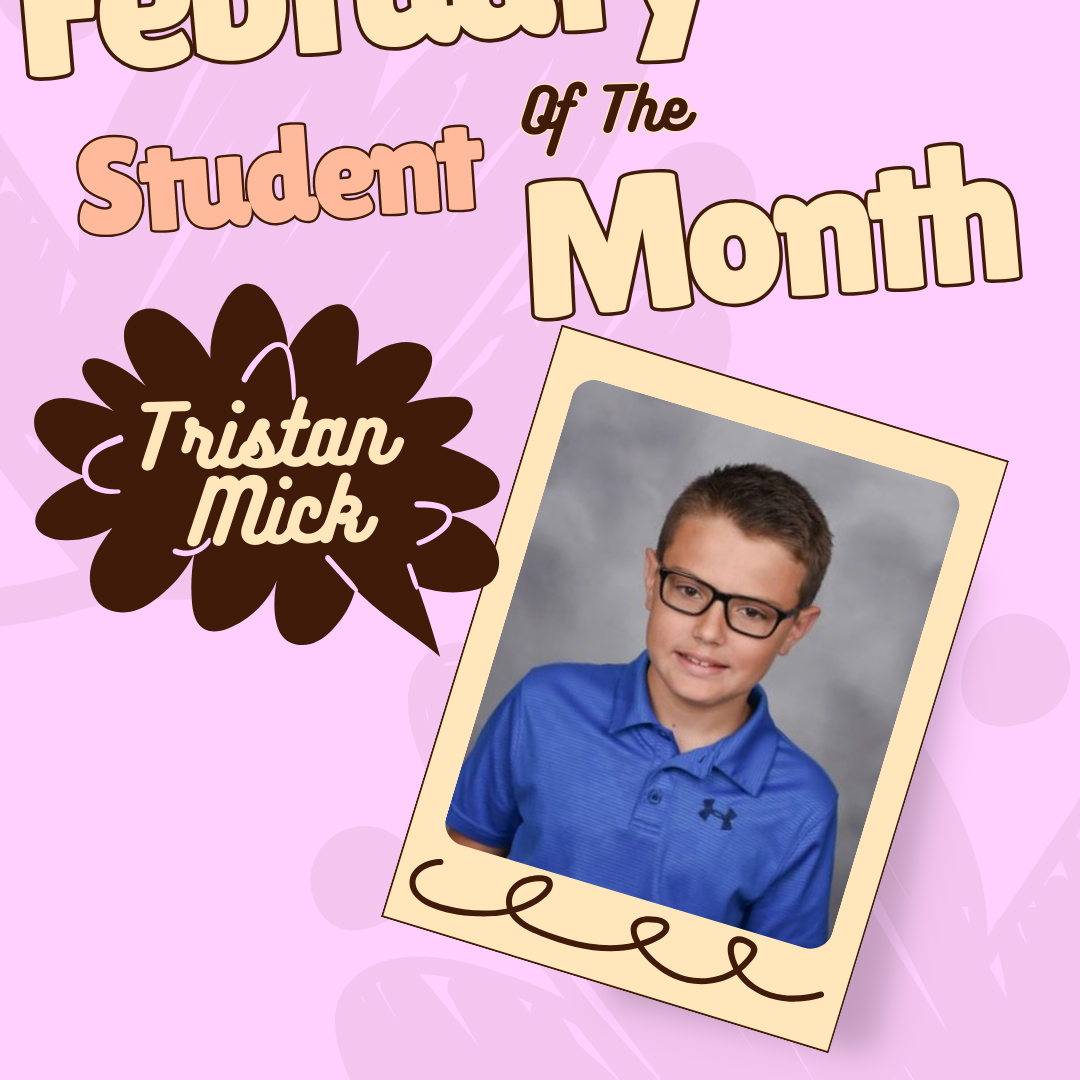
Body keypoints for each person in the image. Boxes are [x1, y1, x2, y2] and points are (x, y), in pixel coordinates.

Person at [446, 463, 838, 948]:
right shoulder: (543, 704)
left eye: (752, 612)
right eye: (690, 590)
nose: (709, 631)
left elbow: (769, 981)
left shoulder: (804, 804)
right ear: (653, 580)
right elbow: (459, 874)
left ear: (795, 629)